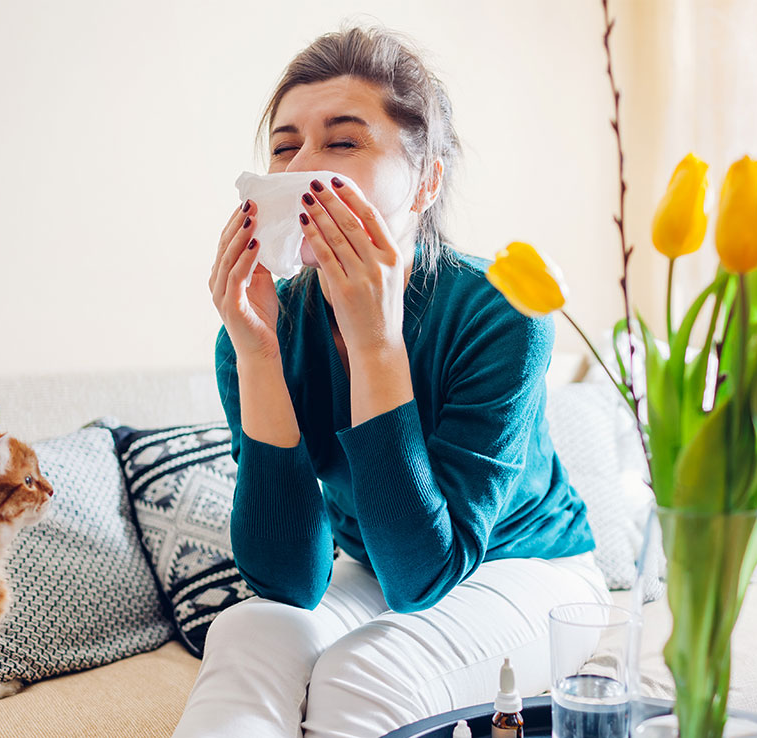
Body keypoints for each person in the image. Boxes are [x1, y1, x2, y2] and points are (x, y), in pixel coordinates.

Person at [180, 25, 607, 738]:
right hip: (379, 564)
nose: (302, 169)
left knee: (364, 672)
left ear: (427, 181)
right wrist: (257, 358)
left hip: (531, 568)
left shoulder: (503, 312)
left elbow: (422, 576)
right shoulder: (261, 329)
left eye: (343, 141)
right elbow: (289, 581)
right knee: (247, 633)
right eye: (284, 148)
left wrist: (376, 344)